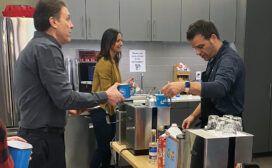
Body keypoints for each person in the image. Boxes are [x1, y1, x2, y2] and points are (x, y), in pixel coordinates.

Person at [13, 1, 124, 168]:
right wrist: (106, 95)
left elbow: (52, 96)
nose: (72, 25)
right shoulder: (47, 48)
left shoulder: (38, 46)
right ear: (54, 21)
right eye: (68, 19)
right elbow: (65, 97)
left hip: (37, 136)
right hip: (43, 140)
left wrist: (65, 107)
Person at [161, 20, 245, 128]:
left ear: (213, 38)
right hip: (210, 125)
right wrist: (193, 115)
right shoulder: (213, 60)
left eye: (200, 46)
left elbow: (219, 88)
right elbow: (210, 97)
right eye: (195, 48)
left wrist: (184, 86)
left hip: (225, 129)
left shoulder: (229, 59)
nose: (197, 52)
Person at [90, 28, 134, 168]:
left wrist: (125, 84)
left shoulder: (113, 61)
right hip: (101, 111)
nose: (121, 43)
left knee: (107, 148)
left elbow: (113, 87)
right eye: (118, 40)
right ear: (109, 42)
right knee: (103, 149)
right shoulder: (104, 62)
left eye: (122, 40)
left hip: (108, 112)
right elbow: (106, 93)